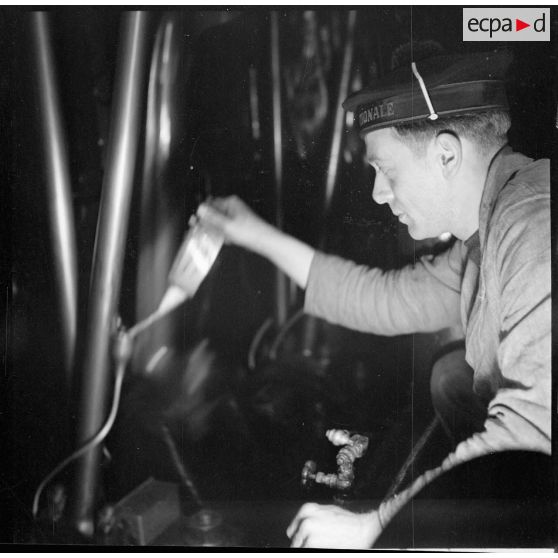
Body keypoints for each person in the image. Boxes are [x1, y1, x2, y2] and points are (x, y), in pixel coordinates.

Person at [195, 48, 551, 548]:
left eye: (385, 170)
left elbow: (531, 432)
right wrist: (252, 234)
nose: (379, 194)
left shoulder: (533, 226)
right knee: (451, 377)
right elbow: (384, 298)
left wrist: (378, 525)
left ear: (446, 155)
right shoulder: (487, 233)